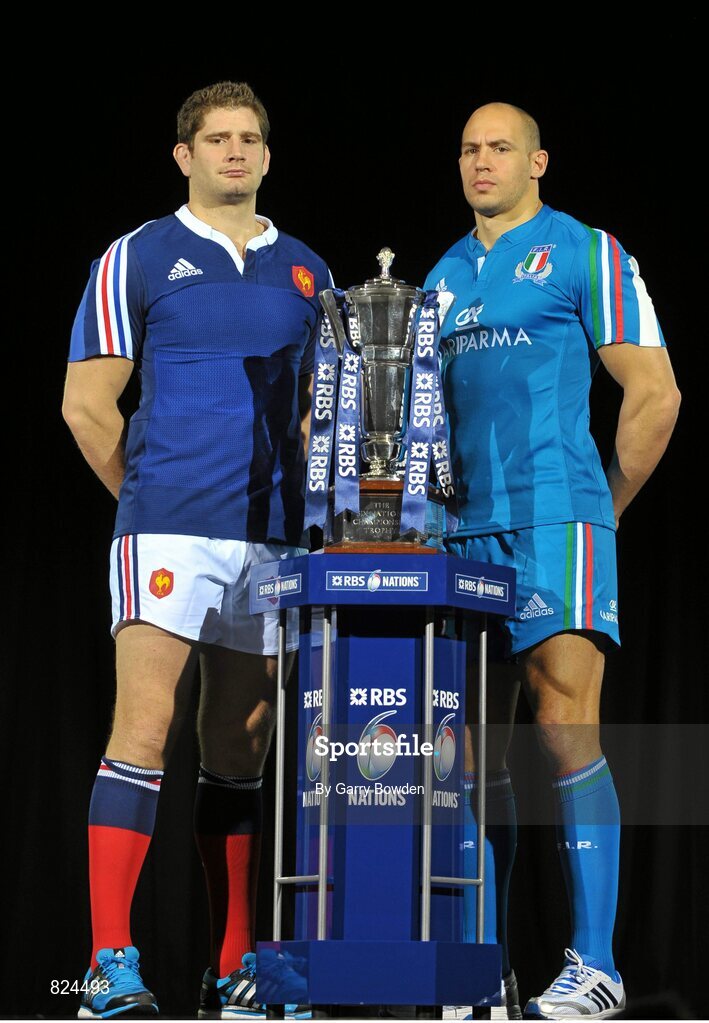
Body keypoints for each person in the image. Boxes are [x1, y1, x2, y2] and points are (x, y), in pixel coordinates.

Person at [63, 80, 330, 1020]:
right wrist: (148, 497)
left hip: (270, 540)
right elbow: (87, 406)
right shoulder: (136, 255)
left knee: (240, 745)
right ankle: (106, 963)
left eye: (249, 137)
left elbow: (320, 417)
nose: (235, 151)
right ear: (184, 155)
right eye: (217, 138)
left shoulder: (308, 271)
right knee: (143, 729)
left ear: (267, 154)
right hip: (169, 529)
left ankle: (235, 963)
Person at [424, 102, 680, 1020]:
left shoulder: (583, 250)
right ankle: (480, 972)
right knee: (466, 752)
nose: (481, 161)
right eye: (468, 148)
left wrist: (598, 508)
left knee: (565, 725)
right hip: (457, 534)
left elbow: (655, 393)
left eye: (500, 147)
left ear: (537, 162)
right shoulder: (441, 276)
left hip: (554, 520)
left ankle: (597, 966)